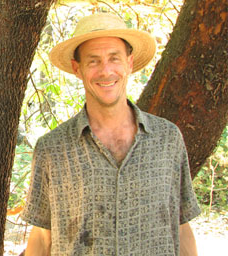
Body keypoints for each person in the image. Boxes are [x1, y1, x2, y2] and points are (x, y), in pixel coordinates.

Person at [21, 13, 201, 256]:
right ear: (78, 68)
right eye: (93, 61)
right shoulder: (52, 149)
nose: (106, 71)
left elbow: (180, 227)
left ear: (129, 63)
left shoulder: (168, 139)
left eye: (114, 58)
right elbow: (43, 238)